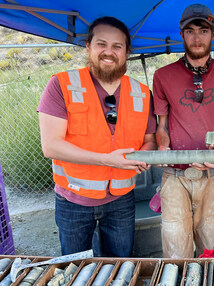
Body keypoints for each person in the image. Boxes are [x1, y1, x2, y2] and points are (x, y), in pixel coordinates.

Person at [37, 16, 157, 257]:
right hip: (74, 199)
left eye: (117, 46)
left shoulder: (142, 93)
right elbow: (51, 146)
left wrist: (146, 154)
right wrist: (107, 160)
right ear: (88, 47)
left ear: (126, 52)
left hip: (122, 199)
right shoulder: (62, 85)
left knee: (121, 264)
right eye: (101, 44)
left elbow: (150, 138)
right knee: (76, 268)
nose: (108, 52)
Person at [152, 3, 214, 258]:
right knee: (176, 254)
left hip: (212, 177)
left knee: (211, 252)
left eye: (203, 30)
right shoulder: (162, 76)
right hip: (174, 177)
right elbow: (162, 127)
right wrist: (163, 149)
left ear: (213, 34)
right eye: (190, 31)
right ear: (181, 35)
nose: (196, 37)